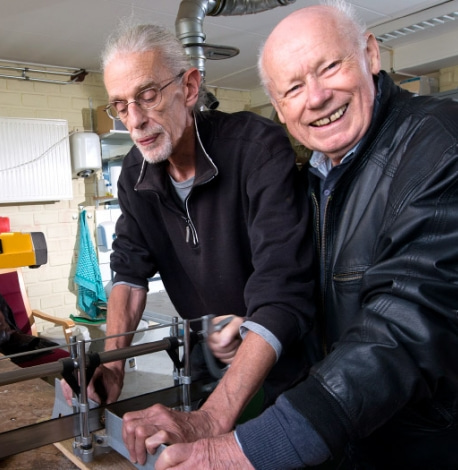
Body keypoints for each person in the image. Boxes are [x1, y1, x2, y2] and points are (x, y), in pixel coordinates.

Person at [121, 1, 458, 469]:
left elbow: (402, 329)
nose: (315, 97)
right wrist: (249, 325)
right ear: (280, 108)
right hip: (354, 443)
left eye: (330, 67)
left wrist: (242, 447)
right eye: (293, 88)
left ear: (371, 54)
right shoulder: (321, 178)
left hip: (424, 449)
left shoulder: (438, 142)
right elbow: (315, 291)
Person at [62, 21, 316, 443]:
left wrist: (212, 417)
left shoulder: (256, 148)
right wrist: (112, 364)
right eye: (121, 106)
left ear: (190, 87)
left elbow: (282, 284)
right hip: (207, 346)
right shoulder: (135, 173)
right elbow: (129, 271)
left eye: (147, 95)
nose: (136, 121)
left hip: (286, 353)